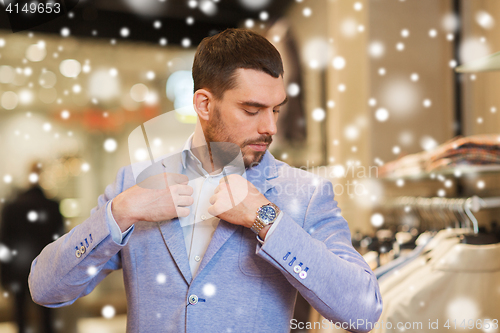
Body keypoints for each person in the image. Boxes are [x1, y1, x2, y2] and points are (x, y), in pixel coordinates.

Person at [28, 28, 382, 333]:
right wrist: (120, 211)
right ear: (204, 104)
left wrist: (267, 219)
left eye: (275, 110)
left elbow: (363, 310)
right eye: (251, 109)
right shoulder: (134, 184)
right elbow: (46, 288)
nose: (270, 127)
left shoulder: (304, 193)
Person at [1, 164, 63, 333]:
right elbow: (60, 240)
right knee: (47, 319)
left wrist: (5, 276)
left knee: (20, 317)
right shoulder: (52, 206)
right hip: (46, 267)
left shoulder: (12, 207)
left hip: (18, 269)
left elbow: (5, 242)